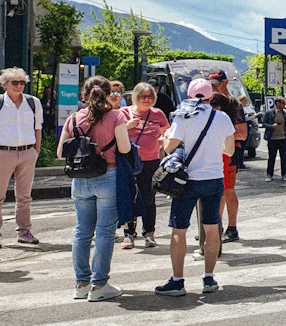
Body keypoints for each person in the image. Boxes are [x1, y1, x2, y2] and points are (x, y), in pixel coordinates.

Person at [154, 78, 235, 297]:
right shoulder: (222, 117)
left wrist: (166, 139)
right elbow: (229, 151)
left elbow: (170, 147)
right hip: (214, 178)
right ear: (211, 96)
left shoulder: (183, 115)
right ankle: (209, 278)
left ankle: (178, 281)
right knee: (211, 228)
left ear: (189, 96)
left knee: (179, 230)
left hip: (186, 180)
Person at [58, 75, 131, 301]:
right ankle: (99, 286)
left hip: (80, 179)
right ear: (109, 94)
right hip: (107, 175)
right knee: (105, 232)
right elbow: (125, 148)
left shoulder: (73, 119)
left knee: (82, 231)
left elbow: (61, 153)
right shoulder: (116, 116)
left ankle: (81, 283)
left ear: (84, 94)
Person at [119, 82, 169, 249]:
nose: (146, 100)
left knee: (148, 198)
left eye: (149, 97)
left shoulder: (158, 114)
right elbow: (113, 134)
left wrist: (163, 141)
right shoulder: (123, 113)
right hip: (129, 161)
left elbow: (168, 132)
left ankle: (149, 232)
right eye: (142, 96)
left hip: (151, 161)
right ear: (135, 97)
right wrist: (127, 126)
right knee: (129, 197)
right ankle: (128, 234)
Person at [0, 68, 43, 247]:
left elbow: (38, 127)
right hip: (3, 152)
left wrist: (36, 150)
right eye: (14, 83)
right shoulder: (1, 102)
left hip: (27, 152)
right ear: (4, 84)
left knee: (24, 196)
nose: (19, 86)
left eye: (22, 82)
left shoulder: (33, 102)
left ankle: (24, 231)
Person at [208, 70, 247, 243]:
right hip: (213, 152)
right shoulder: (208, 102)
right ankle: (216, 227)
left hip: (229, 152)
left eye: (216, 83)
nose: (213, 86)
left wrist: (222, 133)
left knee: (227, 190)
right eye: (211, 83)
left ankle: (232, 228)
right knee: (216, 191)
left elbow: (242, 134)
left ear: (225, 82)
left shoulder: (233, 104)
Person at [260, 96, 286, 182]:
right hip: (272, 139)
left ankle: (284, 174)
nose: (284, 105)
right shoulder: (269, 113)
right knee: (271, 157)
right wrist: (271, 126)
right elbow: (263, 123)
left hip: (283, 138)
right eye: (282, 103)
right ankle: (269, 174)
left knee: (284, 157)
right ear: (277, 103)